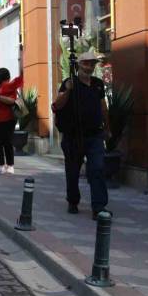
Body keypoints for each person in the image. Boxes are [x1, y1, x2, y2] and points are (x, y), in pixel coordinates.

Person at [52, 50, 109, 219]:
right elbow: (57, 105)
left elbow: (103, 107)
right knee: (73, 170)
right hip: (73, 135)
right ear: (78, 65)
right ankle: (73, 201)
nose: (89, 66)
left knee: (97, 169)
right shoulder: (69, 83)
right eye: (85, 63)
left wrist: (108, 127)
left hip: (94, 135)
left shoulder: (98, 84)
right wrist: (68, 90)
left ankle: (98, 207)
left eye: (92, 64)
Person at [0, 63, 23, 175]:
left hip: (6, 119)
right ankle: (1, 166)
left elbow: (12, 100)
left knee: (6, 142)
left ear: (1, 76)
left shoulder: (8, 86)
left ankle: (10, 166)